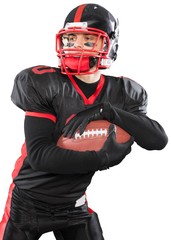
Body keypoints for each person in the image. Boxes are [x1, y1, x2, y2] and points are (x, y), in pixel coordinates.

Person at [0, 3, 168, 240]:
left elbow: (157, 140)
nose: (76, 46)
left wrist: (107, 111)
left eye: (88, 41)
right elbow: (39, 156)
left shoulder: (122, 91)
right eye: (70, 39)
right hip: (28, 204)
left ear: (110, 45)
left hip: (73, 203)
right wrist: (101, 159)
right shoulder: (41, 82)